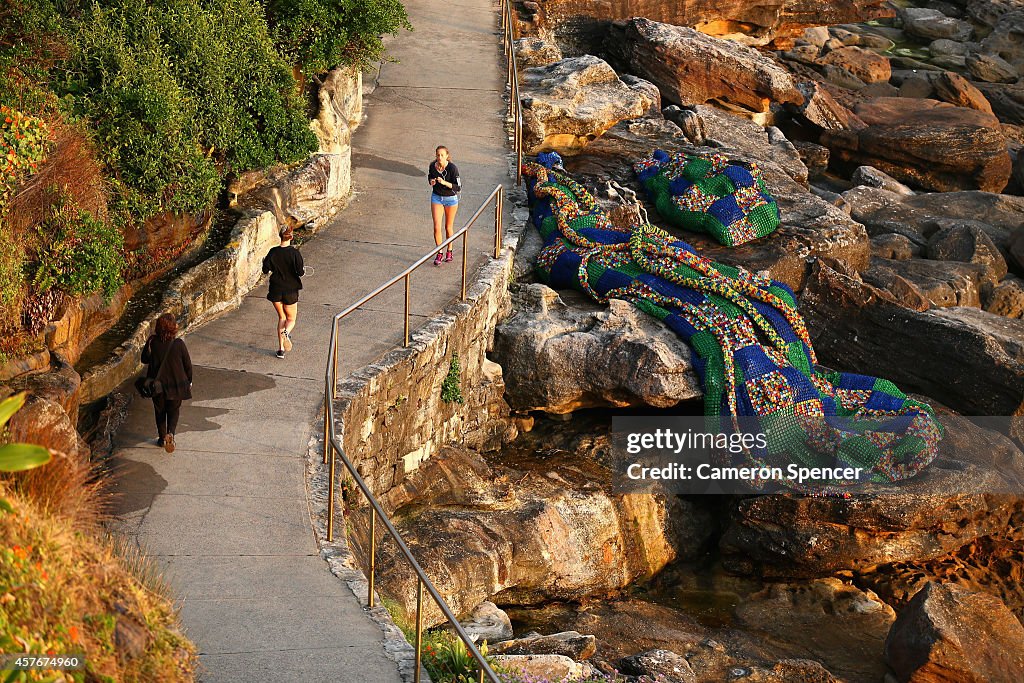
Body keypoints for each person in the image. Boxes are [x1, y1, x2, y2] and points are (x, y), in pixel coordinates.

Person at [141, 313, 192, 453]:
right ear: (173, 328)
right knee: (174, 410)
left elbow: (144, 359)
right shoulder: (179, 344)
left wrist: (150, 346)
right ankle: (171, 433)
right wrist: (189, 381)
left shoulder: (153, 342)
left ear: (158, 327)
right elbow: (188, 365)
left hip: (157, 386)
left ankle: (162, 437)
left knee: (160, 411)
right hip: (177, 385)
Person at [262, 226, 304, 358]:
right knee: (291, 319)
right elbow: (300, 272)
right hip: (290, 290)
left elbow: (265, 270)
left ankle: (280, 350)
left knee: (282, 317)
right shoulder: (295, 253)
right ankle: (286, 332)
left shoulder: (273, 252)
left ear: (280, 236)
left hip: (275, 290)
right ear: (291, 237)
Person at [428, 145, 462, 266]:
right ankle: (439, 252)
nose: (440, 157)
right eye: (438, 155)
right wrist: (431, 181)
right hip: (437, 197)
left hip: (450, 199)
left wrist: (444, 183)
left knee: (448, 227)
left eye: (442, 155)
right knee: (437, 226)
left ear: (447, 156)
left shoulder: (453, 168)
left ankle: (449, 250)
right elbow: (430, 176)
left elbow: (458, 187)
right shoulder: (433, 166)